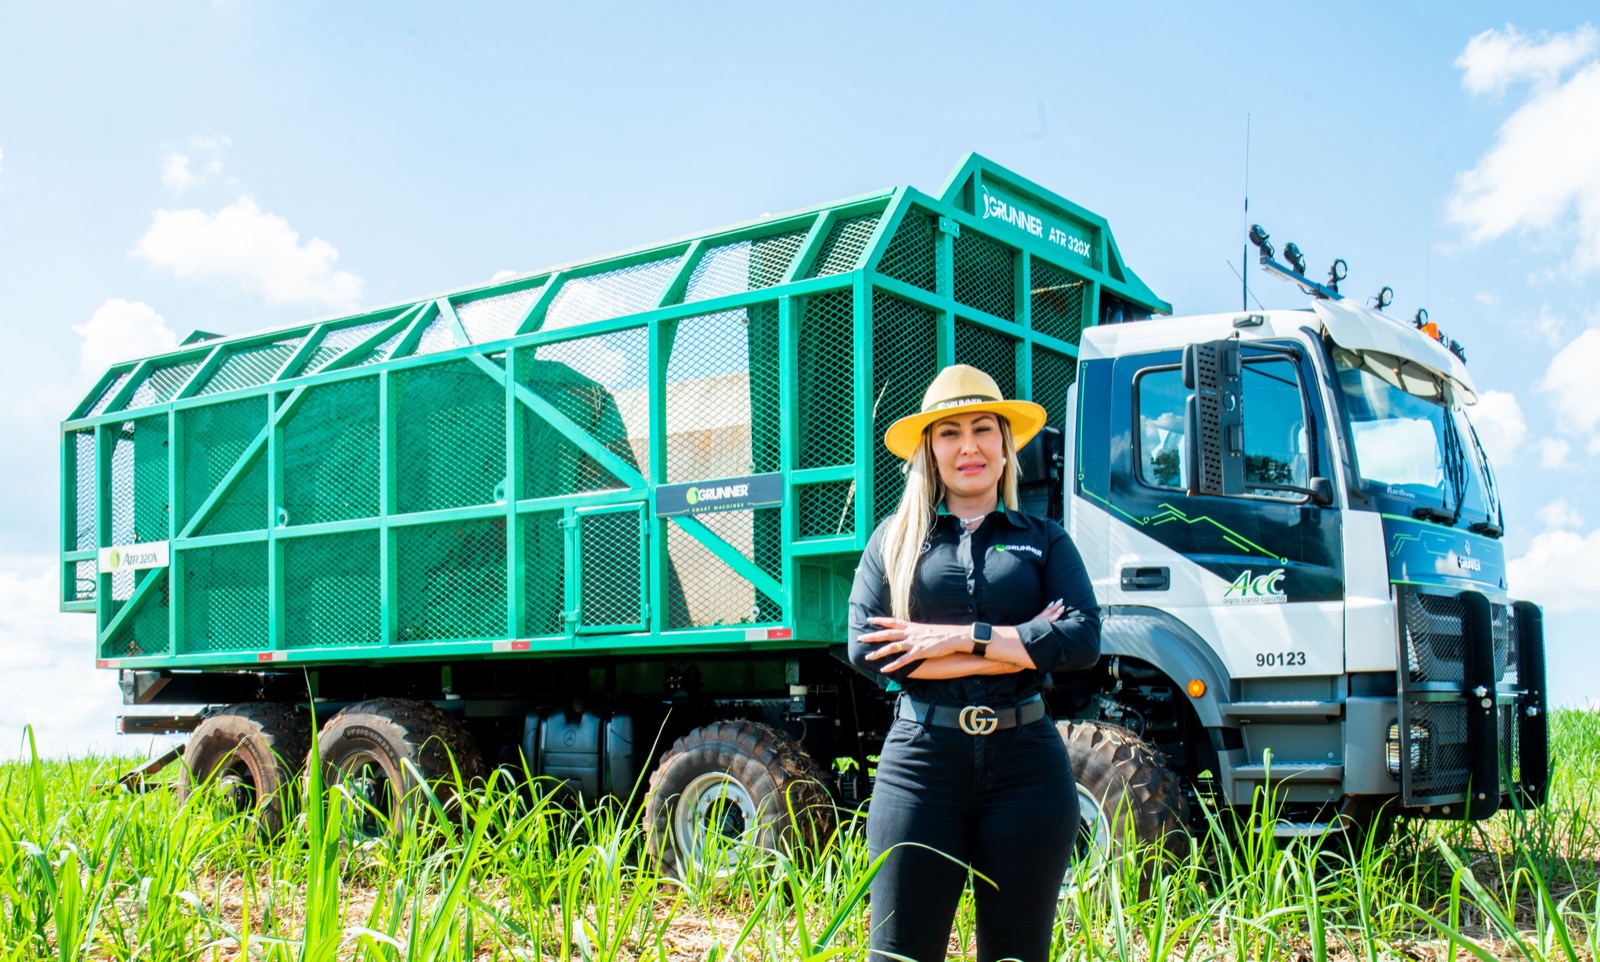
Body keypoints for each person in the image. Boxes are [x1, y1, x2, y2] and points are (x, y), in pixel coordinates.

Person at [847, 364, 1101, 962]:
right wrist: (1022, 643)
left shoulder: (1045, 539)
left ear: (1006, 445)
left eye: (984, 428)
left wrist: (951, 639)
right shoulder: (895, 539)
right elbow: (868, 648)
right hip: (920, 767)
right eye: (949, 432)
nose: (969, 446)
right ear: (930, 451)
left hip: (1027, 771)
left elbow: (1083, 639)